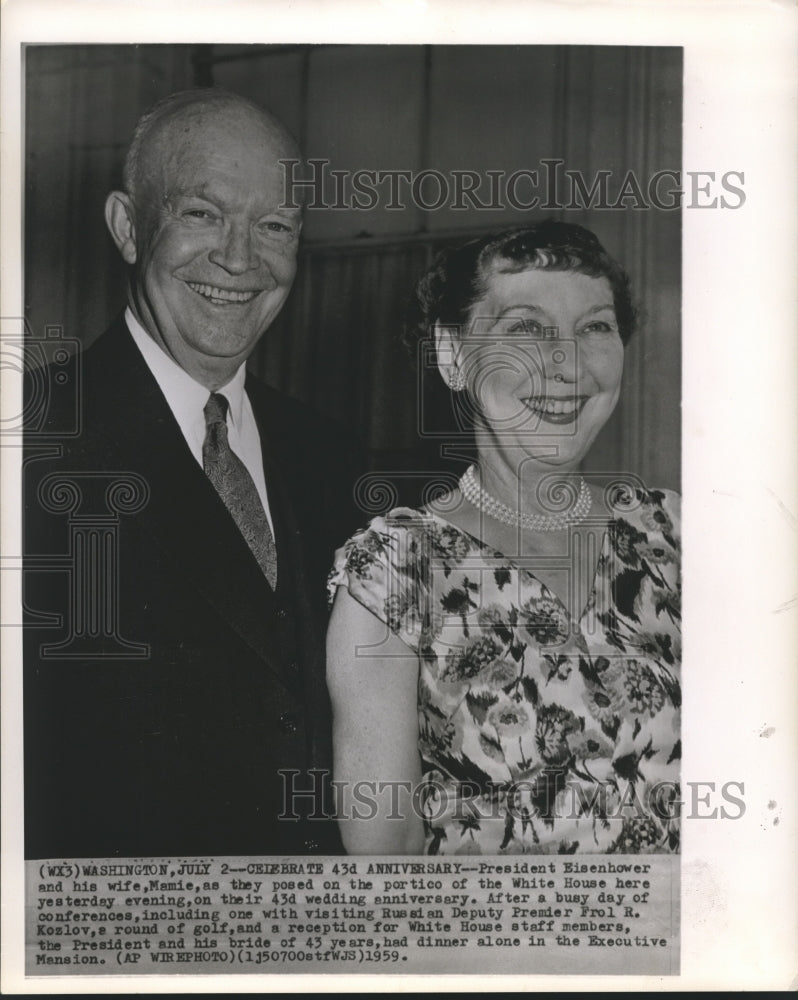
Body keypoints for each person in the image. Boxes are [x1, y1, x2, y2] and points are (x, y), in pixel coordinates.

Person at [23, 88, 359, 859]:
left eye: (274, 226)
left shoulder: (328, 453)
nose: (240, 260)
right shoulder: (33, 440)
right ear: (128, 226)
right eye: (202, 214)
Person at [327, 220, 681, 855]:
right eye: (525, 329)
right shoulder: (391, 572)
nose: (566, 364)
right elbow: (384, 868)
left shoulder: (680, 537)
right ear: (453, 355)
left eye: (595, 327)